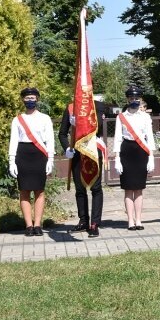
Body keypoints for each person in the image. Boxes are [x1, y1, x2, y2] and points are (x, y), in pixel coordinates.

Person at [8, 87, 55, 236]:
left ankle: (38, 225)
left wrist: (51, 159)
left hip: (39, 155)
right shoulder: (17, 119)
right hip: (23, 154)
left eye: (32, 98)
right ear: (23, 100)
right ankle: (28, 226)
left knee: (39, 191)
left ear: (37, 99)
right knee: (24, 191)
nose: (30, 100)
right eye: (27, 98)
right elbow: (14, 140)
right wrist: (11, 160)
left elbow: (50, 140)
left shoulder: (45, 118)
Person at [59, 97, 108, 237]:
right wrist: (67, 148)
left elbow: (97, 128)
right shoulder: (70, 108)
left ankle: (95, 223)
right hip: (77, 153)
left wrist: (80, 122)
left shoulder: (98, 106)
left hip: (92, 151)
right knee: (80, 189)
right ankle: (83, 221)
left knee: (96, 188)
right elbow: (62, 133)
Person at [113, 86, 156, 230]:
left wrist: (151, 158)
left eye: (137, 98)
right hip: (127, 150)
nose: (134, 100)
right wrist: (117, 158)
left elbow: (149, 137)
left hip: (141, 151)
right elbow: (118, 138)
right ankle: (130, 220)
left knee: (139, 188)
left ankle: (139, 220)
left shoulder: (145, 116)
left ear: (140, 99)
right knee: (128, 188)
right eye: (131, 98)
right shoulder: (121, 117)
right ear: (127, 99)